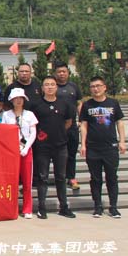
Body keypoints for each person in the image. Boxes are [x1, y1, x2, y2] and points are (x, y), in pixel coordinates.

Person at [80, 76, 126, 218]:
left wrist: (122, 141)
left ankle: (113, 207)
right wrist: (83, 144)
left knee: (112, 178)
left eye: (98, 86)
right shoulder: (87, 105)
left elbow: (119, 122)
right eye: (93, 86)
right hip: (93, 148)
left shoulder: (113, 103)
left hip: (110, 147)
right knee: (95, 179)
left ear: (104, 87)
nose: (96, 89)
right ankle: (98, 206)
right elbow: (84, 125)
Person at [30, 76, 75, 219]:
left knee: (61, 177)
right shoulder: (36, 105)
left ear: (56, 87)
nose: (49, 87)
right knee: (42, 177)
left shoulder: (64, 104)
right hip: (42, 146)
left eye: (52, 84)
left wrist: (58, 133)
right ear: (42, 88)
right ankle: (41, 208)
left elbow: (68, 122)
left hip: (60, 146)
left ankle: (64, 207)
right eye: (46, 84)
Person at [1, 88, 37, 219]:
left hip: (26, 150)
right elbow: (3, 132)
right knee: (12, 181)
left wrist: (26, 148)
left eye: (20, 98)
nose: (18, 100)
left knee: (27, 181)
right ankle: (12, 208)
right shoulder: (6, 115)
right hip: (12, 151)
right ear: (11, 100)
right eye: (15, 98)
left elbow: (33, 133)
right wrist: (13, 146)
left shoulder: (29, 114)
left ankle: (27, 209)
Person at [54, 62, 83, 191]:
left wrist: (81, 119)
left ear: (68, 73)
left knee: (71, 153)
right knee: (57, 154)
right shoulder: (52, 86)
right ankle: (59, 177)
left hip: (72, 126)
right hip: (56, 127)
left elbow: (79, 103)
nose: (61, 74)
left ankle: (71, 177)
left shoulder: (73, 87)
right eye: (59, 72)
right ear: (55, 73)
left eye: (64, 71)